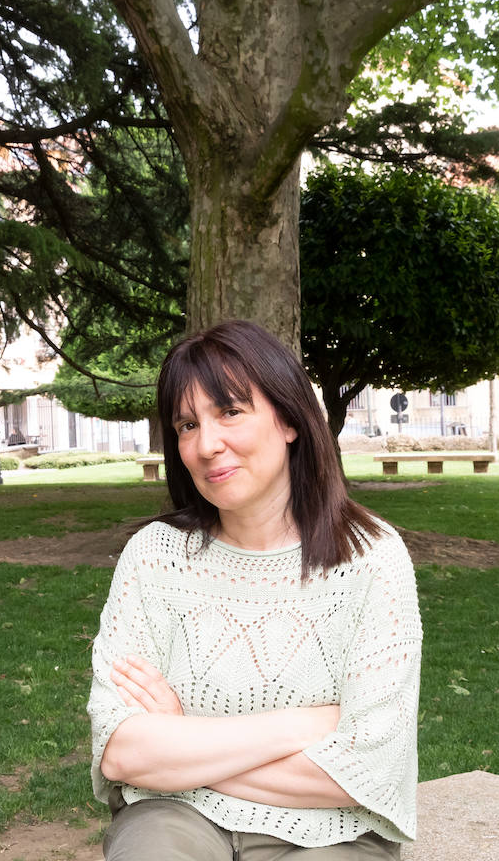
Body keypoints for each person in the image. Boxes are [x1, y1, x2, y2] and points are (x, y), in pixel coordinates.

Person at [87, 320, 422, 859]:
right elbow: (122, 752)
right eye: (187, 424)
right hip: (174, 817)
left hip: (332, 831)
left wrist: (183, 740)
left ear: (289, 419)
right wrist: (302, 726)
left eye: (230, 412)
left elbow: (368, 772)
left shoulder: (371, 559)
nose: (206, 444)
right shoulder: (153, 558)